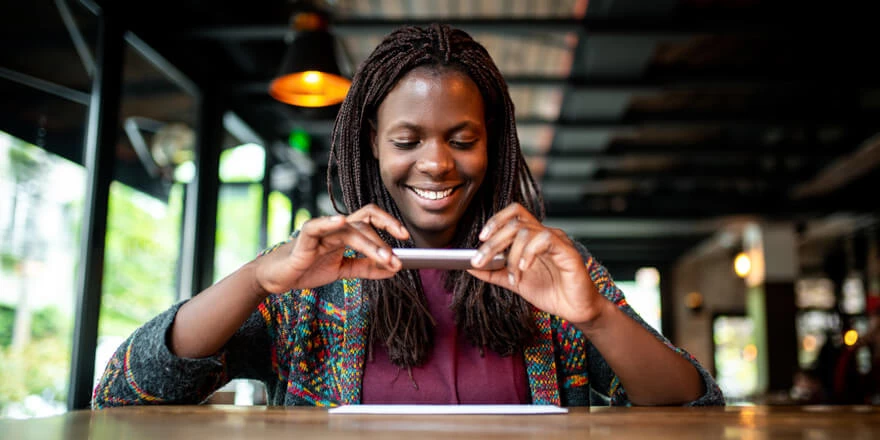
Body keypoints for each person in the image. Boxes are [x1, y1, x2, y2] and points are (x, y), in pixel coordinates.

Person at [92, 24, 724, 408]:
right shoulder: (314, 272)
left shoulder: (548, 267)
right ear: (371, 141)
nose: (437, 164)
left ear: (493, 142)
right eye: (407, 141)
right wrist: (258, 278)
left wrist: (594, 315)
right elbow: (126, 391)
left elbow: (697, 407)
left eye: (462, 138)